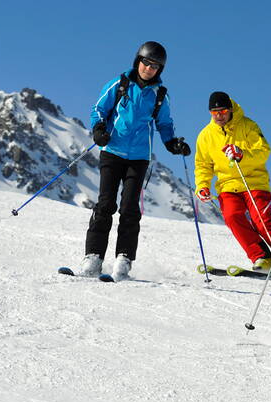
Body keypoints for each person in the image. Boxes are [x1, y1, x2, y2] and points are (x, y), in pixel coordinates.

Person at [80, 41, 191, 280]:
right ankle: (93, 257)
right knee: (105, 204)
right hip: (113, 150)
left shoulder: (160, 95)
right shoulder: (119, 84)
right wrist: (99, 128)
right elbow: (98, 109)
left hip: (139, 157)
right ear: (137, 61)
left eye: (155, 66)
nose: (149, 68)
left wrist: (172, 143)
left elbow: (164, 123)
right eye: (146, 62)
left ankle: (124, 260)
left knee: (130, 208)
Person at [194, 91, 271, 274]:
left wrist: (242, 155)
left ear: (230, 109)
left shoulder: (247, 126)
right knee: (232, 217)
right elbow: (202, 165)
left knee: (261, 221)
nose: (219, 116)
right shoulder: (205, 136)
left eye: (222, 112)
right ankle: (261, 257)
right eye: (214, 113)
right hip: (227, 185)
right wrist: (202, 185)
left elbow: (263, 151)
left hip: (253, 182)